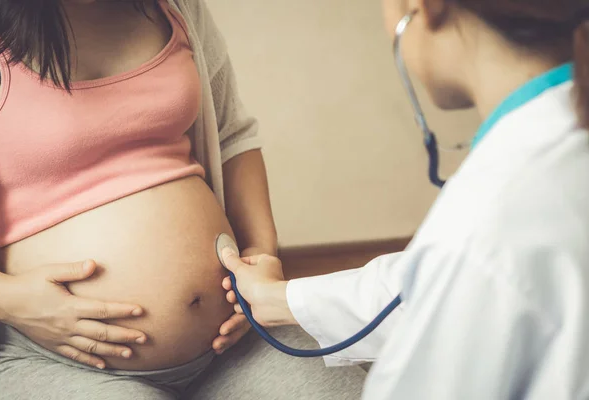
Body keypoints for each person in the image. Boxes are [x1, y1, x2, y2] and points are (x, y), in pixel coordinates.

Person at [0, 1, 367, 399]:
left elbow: (233, 136)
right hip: (51, 359)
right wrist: (10, 301)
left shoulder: (178, 7)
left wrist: (261, 257)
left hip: (237, 337)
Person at [220, 0, 589, 398]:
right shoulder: (547, 157)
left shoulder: (491, 220)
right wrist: (280, 298)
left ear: (423, 8)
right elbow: (423, 287)